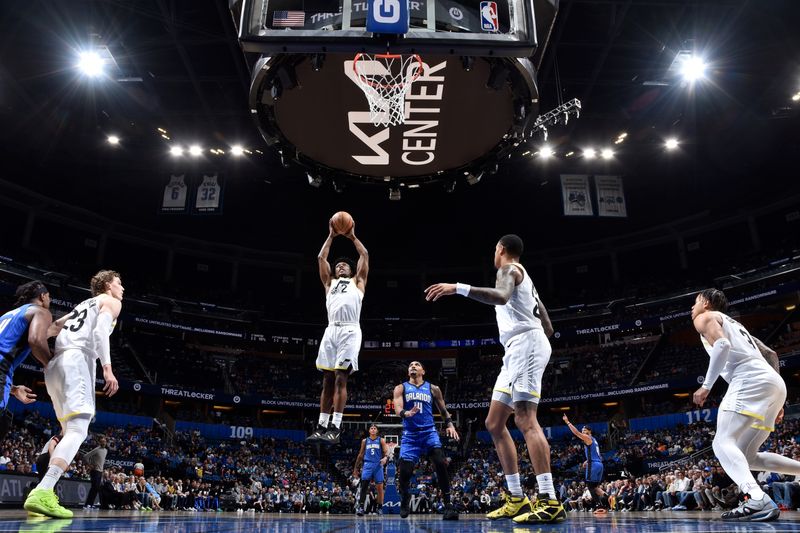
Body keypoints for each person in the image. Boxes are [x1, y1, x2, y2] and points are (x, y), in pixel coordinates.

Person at [425, 234, 565, 523]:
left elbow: (501, 296)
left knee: (525, 419)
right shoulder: (528, 281)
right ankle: (516, 498)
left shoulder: (508, 269)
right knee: (494, 422)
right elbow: (548, 327)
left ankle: (549, 500)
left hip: (524, 344)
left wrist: (457, 288)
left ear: (500, 249)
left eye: (495, 250)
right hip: (518, 347)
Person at [692, 288, 800, 521]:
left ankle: (756, 498)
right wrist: (777, 398)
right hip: (772, 383)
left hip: (749, 379)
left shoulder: (705, 317)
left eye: (695, 302)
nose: (692, 308)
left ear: (706, 303)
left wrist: (706, 385)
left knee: (721, 443)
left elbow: (721, 346)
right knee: (748, 456)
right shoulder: (737, 326)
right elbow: (771, 353)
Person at [24, 270, 123, 519]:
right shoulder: (111, 301)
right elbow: (100, 332)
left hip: (56, 363)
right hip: (78, 359)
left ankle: (43, 483)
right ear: (109, 286)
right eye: (120, 284)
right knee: (78, 430)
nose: (123, 289)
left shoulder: (83, 304)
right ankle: (44, 490)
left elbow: (54, 327)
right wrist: (108, 369)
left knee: (67, 431)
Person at [307, 219, 369, 445]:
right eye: (338, 264)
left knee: (341, 377)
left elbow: (365, 256)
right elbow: (321, 258)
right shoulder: (329, 284)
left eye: (345, 264)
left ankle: (336, 426)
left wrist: (352, 236)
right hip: (331, 330)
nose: (341, 265)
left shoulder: (358, 282)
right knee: (327, 379)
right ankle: (322, 426)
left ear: (352, 270)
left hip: (350, 330)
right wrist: (331, 236)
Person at [393, 360, 459, 520]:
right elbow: (397, 408)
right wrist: (405, 414)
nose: (413, 366)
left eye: (417, 365)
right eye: (410, 365)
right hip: (410, 435)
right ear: (408, 372)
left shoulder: (433, 388)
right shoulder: (400, 388)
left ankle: (448, 506)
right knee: (405, 472)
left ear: (423, 371)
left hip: (429, 432)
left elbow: (443, 410)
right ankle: (405, 497)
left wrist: (450, 424)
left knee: (440, 463)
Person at [0, 280, 54, 438]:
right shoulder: (41, 311)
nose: (49, 301)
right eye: (49, 297)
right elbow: (37, 340)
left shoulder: (7, 316)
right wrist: (50, 365)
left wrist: (13, 389)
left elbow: (51, 330)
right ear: (43, 296)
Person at [563, 414, 606, 513]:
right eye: (582, 430)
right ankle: (608, 498)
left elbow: (576, 433)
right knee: (595, 487)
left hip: (594, 465)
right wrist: (587, 460)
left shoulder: (587, 437)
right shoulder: (594, 440)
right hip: (599, 464)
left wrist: (567, 422)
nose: (583, 432)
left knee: (590, 486)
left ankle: (599, 506)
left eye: (585, 430)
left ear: (589, 432)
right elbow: (598, 455)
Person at [353, 423, 390, 515]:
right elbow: (360, 455)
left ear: (377, 431)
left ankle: (380, 508)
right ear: (369, 430)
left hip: (378, 464)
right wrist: (355, 469)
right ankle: (361, 508)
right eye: (371, 428)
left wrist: (385, 458)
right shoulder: (365, 441)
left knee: (380, 488)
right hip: (367, 465)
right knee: (364, 487)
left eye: (374, 428)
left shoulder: (381, 440)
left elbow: (386, 451)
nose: (373, 429)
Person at [83, 436, 108, 509]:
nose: (104, 442)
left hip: (100, 472)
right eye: (102, 441)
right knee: (94, 487)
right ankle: (87, 504)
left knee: (96, 488)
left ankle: (90, 504)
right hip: (94, 471)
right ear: (99, 442)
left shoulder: (106, 450)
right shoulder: (96, 449)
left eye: (105, 441)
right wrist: (90, 465)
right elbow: (85, 456)